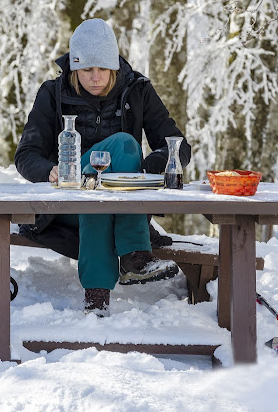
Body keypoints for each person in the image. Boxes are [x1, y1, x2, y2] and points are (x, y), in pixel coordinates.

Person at [14, 18, 192, 317]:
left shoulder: (137, 90)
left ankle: (96, 300)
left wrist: (147, 167)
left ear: (114, 66)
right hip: (65, 204)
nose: (95, 78)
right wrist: (48, 170)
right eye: (86, 70)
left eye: (103, 69)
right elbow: (26, 154)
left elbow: (178, 146)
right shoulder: (52, 94)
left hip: (116, 204)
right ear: (73, 67)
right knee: (120, 147)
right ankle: (135, 256)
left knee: (104, 183)